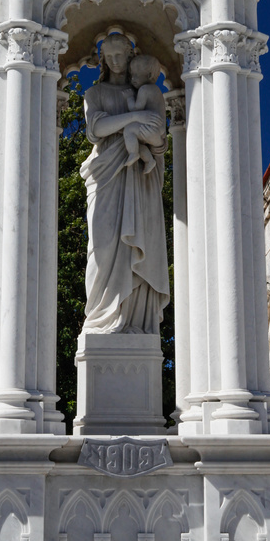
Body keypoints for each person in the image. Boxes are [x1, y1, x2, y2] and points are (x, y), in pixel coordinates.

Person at [79, 34, 169, 334]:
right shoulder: (94, 94)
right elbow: (96, 129)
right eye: (110, 57)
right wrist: (135, 118)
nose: (116, 62)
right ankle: (100, 317)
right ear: (102, 60)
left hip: (139, 177)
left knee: (139, 243)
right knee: (101, 247)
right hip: (105, 174)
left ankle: (134, 321)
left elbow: (158, 134)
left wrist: (140, 125)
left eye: (121, 56)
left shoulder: (146, 90)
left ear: (131, 56)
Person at [125, 54, 166, 174]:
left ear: (149, 76)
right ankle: (149, 160)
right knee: (137, 142)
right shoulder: (157, 90)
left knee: (129, 131)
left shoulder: (144, 89)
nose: (133, 79)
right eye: (132, 75)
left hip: (152, 126)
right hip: (159, 128)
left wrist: (129, 99)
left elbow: (136, 108)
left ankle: (133, 154)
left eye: (136, 75)